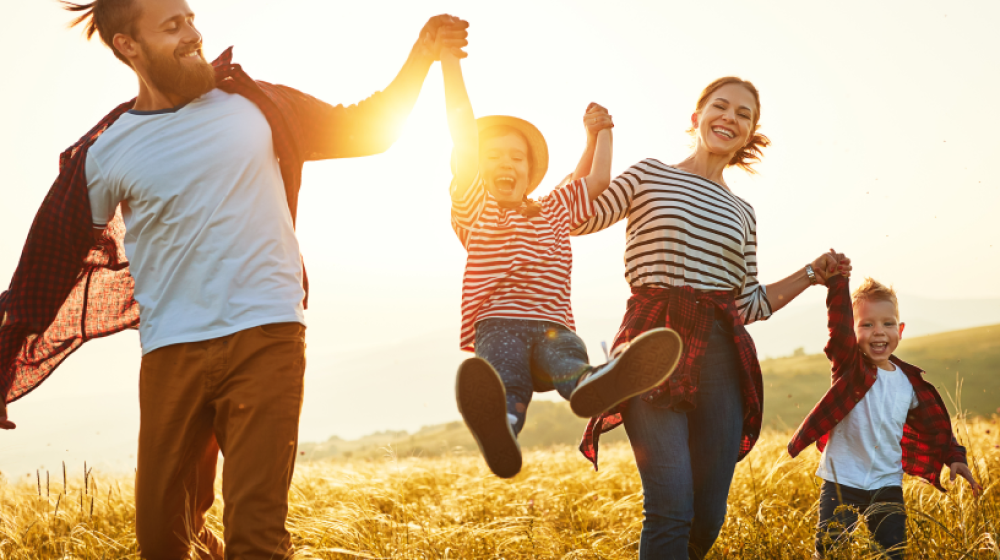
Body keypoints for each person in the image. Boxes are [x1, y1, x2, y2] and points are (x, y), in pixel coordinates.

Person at [0, 0, 468, 557]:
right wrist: (10, 342)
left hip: (265, 337)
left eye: (191, 19)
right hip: (171, 353)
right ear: (129, 46)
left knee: (257, 535)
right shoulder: (107, 152)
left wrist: (421, 55)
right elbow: (49, 263)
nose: (193, 34)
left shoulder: (254, 105)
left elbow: (367, 129)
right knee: (163, 539)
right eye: (172, 27)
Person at [571, 77, 852, 559]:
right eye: (720, 107)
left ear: (749, 134)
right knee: (670, 505)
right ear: (696, 117)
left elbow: (750, 303)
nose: (730, 117)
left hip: (721, 354)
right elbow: (579, 216)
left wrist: (811, 273)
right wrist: (597, 139)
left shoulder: (743, 212)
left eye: (743, 114)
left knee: (708, 513)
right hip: (651, 345)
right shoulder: (650, 175)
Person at [440, 48, 682, 479]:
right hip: (499, 324)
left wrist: (602, 132)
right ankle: (504, 433)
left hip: (554, 326)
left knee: (569, 363)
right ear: (475, 169)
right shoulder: (476, 208)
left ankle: (595, 385)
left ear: (530, 171)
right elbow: (461, 133)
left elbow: (597, 180)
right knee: (506, 384)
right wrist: (449, 65)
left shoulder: (555, 208)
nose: (505, 164)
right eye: (493, 157)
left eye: (516, 158)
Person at [787, 273, 981, 559]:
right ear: (851, 333)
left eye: (887, 324)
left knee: (892, 553)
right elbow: (837, 327)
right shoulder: (850, 369)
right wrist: (838, 282)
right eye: (866, 325)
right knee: (830, 551)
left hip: (887, 484)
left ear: (900, 330)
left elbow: (934, 427)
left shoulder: (909, 382)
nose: (879, 331)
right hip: (842, 481)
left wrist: (954, 456)